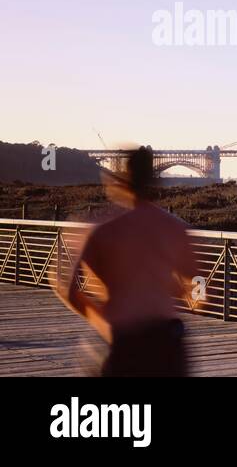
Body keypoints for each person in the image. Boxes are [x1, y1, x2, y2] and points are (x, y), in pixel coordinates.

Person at [52, 146, 198, 376]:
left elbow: (71, 290)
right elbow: (198, 279)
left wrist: (105, 326)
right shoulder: (174, 228)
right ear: (154, 181)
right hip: (168, 341)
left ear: (120, 180)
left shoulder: (102, 231)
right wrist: (195, 299)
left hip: (125, 341)